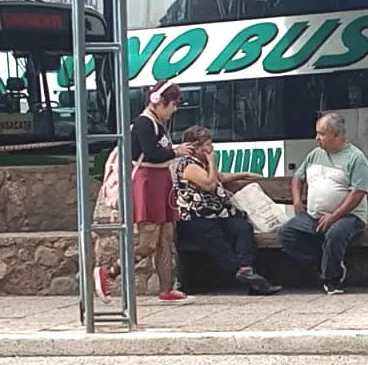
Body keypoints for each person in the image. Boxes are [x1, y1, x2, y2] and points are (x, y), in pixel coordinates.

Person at [95, 81, 192, 304]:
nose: (174, 109)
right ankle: (109, 272)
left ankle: (167, 288)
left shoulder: (157, 122)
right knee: (148, 242)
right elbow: (151, 154)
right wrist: (176, 151)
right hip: (147, 182)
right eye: (173, 104)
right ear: (160, 102)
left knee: (165, 239)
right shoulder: (143, 123)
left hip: (161, 181)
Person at [171, 126, 280, 296]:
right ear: (195, 147)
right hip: (197, 218)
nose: (211, 148)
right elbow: (210, 184)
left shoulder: (202, 163)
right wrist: (212, 160)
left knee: (242, 228)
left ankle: (246, 269)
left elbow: (220, 178)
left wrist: (244, 174)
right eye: (207, 144)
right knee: (221, 247)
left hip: (219, 214)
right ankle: (253, 282)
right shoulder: (188, 165)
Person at [277, 113, 368, 295]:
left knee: (335, 234)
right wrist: (297, 201)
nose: (316, 138)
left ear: (336, 135)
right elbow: (298, 178)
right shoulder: (315, 155)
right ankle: (324, 261)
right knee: (286, 234)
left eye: (321, 134)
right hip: (314, 216)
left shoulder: (356, 158)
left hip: (348, 216)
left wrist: (334, 216)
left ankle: (331, 279)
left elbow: (357, 193)